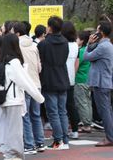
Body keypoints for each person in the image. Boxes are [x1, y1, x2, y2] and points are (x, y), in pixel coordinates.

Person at [0, 34, 45, 160]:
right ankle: (14, 154)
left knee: (8, 128)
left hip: (4, 98)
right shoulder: (14, 62)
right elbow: (25, 81)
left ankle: (9, 153)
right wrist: (39, 97)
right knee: (15, 130)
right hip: (14, 99)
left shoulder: (2, 59)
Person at [37, 16, 70, 150]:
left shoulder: (43, 44)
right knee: (62, 111)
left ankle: (58, 140)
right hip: (63, 77)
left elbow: (40, 61)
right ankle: (64, 139)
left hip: (49, 79)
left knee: (53, 113)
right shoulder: (65, 42)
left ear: (49, 27)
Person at [12, 22, 45, 154]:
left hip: (24, 85)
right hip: (36, 84)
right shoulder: (34, 45)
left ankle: (29, 145)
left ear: (18, 33)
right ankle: (40, 142)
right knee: (36, 115)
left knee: (25, 115)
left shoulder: (16, 47)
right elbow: (39, 68)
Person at [83, 21, 113, 147]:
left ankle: (110, 138)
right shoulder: (106, 45)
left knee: (104, 111)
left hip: (101, 83)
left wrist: (88, 44)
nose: (95, 32)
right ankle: (110, 136)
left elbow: (86, 57)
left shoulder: (103, 47)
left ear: (101, 32)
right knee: (107, 110)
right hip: (104, 82)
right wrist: (91, 44)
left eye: (97, 30)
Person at [74, 30, 92, 133]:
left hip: (80, 79)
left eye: (77, 38)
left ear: (82, 40)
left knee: (82, 102)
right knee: (87, 102)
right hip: (88, 78)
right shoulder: (89, 49)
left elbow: (77, 65)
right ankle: (88, 121)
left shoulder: (81, 51)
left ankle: (86, 124)